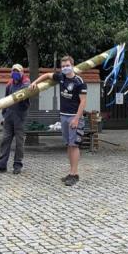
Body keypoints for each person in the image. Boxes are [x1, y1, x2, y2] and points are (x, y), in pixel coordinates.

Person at [30, 55, 87, 186]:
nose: (65, 68)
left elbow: (83, 102)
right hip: (64, 116)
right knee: (68, 145)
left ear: (72, 65)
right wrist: (35, 82)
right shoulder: (61, 77)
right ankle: (71, 172)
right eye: (63, 66)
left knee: (74, 145)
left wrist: (76, 119)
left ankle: (75, 174)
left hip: (74, 117)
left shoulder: (79, 81)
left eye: (67, 65)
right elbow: (47, 75)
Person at [0, 64, 31, 175]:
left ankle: (17, 165)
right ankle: (1, 165)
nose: (15, 73)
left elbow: (25, 91)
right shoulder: (9, 85)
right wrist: (4, 116)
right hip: (8, 116)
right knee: (5, 141)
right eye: (14, 71)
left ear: (22, 72)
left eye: (18, 71)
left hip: (20, 117)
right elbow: (5, 101)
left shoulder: (26, 83)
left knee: (19, 143)